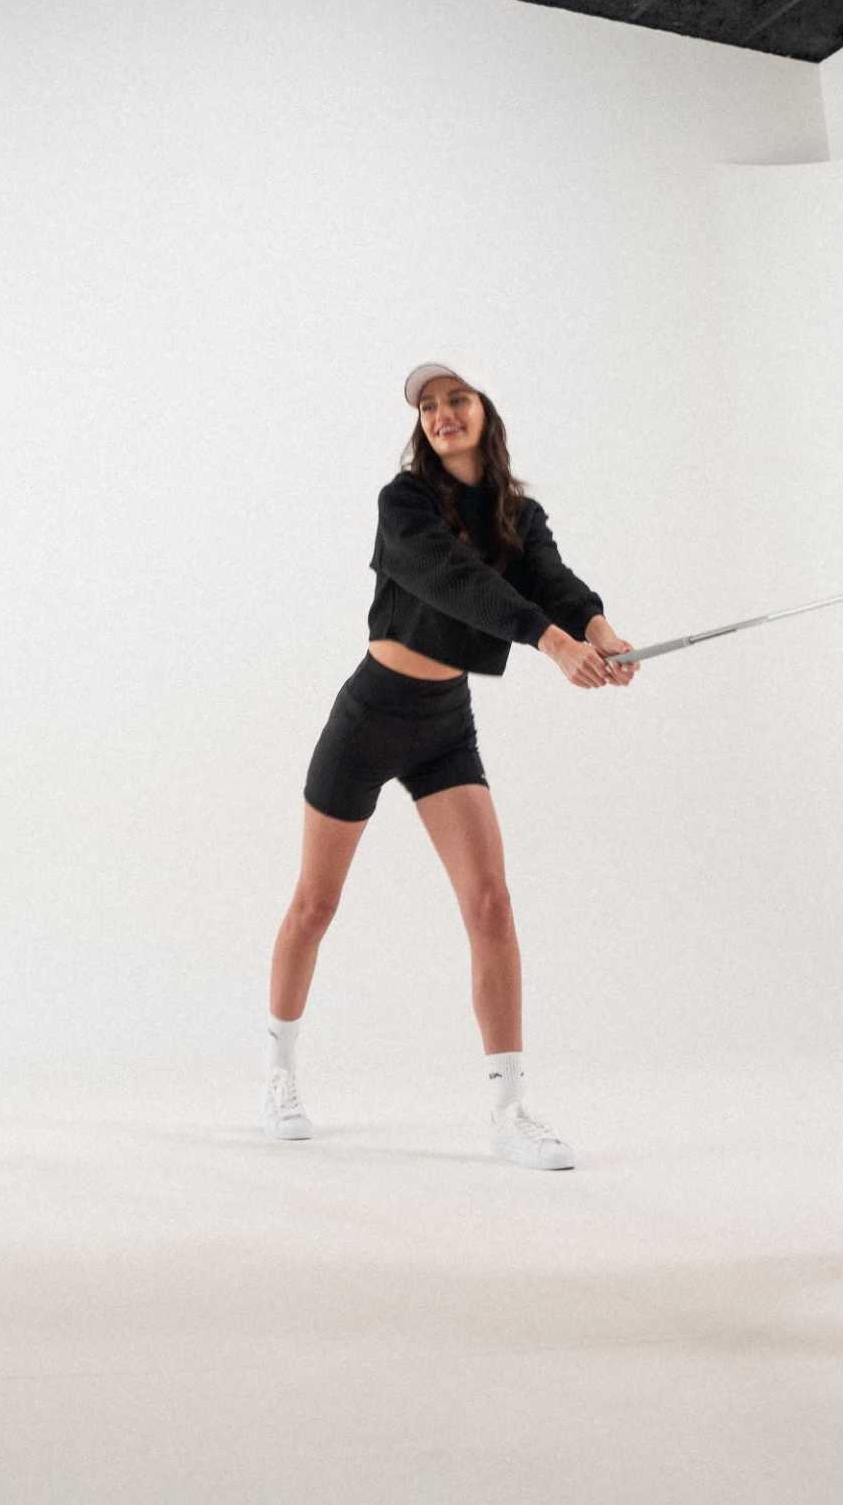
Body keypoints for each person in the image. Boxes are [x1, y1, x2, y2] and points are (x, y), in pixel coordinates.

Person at [263, 362, 635, 1168]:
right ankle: (279, 1073)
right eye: (427, 407)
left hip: (444, 726)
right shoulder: (404, 505)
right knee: (314, 906)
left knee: (491, 904)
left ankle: (509, 1112)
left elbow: (552, 581)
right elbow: (460, 584)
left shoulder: (518, 513)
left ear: (484, 410)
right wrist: (554, 643)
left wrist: (597, 628)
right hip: (369, 716)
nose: (441, 415)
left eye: (455, 399)